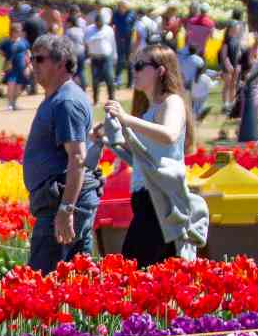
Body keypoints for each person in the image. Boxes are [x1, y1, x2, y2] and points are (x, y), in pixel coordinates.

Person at [102, 46, 194, 267]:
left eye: (140, 66)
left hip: (159, 198)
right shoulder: (149, 110)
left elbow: (169, 135)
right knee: (158, 270)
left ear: (160, 71)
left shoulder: (172, 102)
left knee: (132, 268)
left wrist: (127, 119)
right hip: (146, 197)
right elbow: (143, 158)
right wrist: (111, 139)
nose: (135, 71)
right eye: (134, 66)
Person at [21, 35, 99, 273]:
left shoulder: (66, 102)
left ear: (62, 62)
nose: (33, 65)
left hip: (60, 204)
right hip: (57, 202)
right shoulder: (57, 97)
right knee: (72, 280)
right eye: (31, 58)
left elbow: (77, 158)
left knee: (44, 280)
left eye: (40, 59)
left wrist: (66, 209)